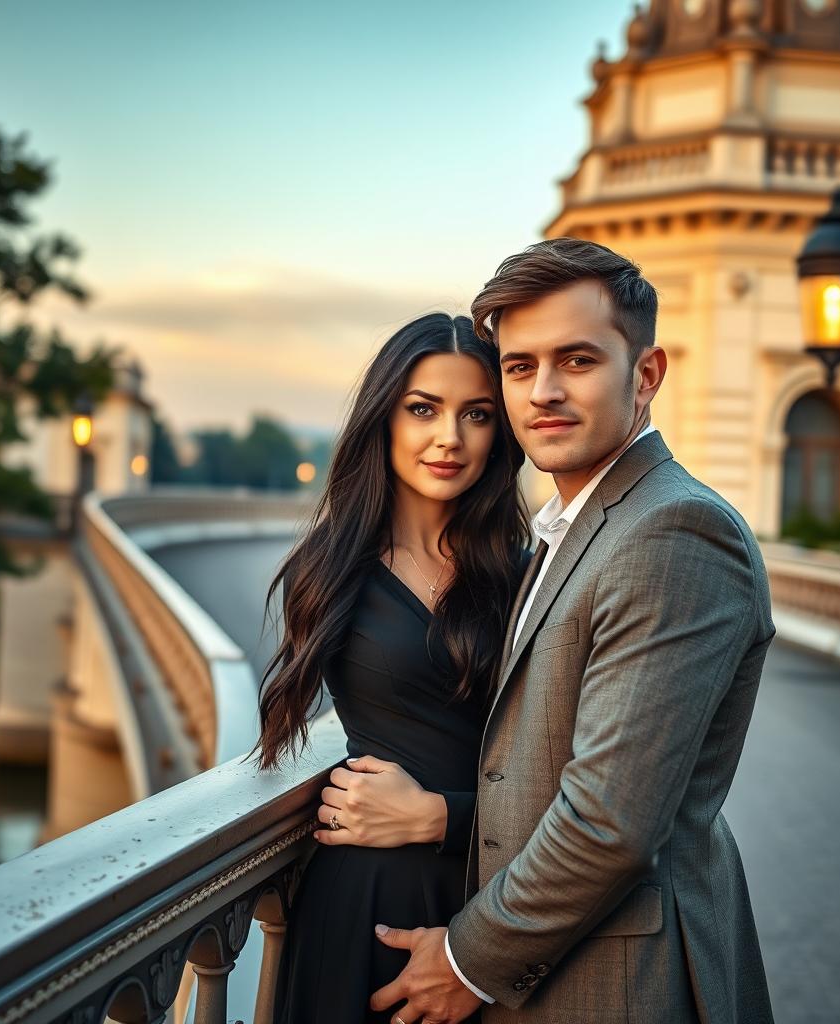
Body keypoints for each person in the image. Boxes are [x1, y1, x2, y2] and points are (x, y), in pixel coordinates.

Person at [367, 239, 776, 1024]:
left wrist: (464, 961)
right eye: (519, 367)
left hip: (619, 986)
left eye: (578, 360)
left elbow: (609, 822)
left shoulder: (675, 531)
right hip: (557, 969)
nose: (543, 392)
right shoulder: (571, 529)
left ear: (645, 375)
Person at [257, 312, 530, 1024]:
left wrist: (445, 818)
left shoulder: (528, 577)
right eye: (423, 410)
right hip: (364, 898)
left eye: (477, 414)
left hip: (494, 905)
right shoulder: (327, 572)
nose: (450, 438)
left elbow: (564, 772)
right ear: (385, 419)